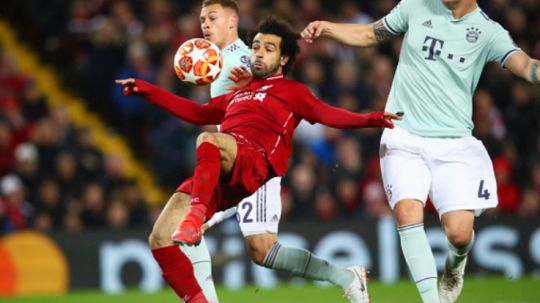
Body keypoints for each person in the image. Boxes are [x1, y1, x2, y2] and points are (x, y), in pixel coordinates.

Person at [117, 15, 399, 303]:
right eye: (255, 47)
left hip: (255, 165)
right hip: (220, 169)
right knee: (161, 237)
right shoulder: (238, 94)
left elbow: (329, 115)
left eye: (268, 48)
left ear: (284, 58)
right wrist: (147, 90)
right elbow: (197, 113)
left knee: (208, 141)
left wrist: (371, 118)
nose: (258, 53)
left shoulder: (293, 92)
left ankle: (196, 217)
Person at [301, 0, 539, 302]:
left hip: (454, 143)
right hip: (404, 133)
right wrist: (328, 28)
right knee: (406, 211)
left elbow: (525, 65)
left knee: (459, 234)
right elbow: (371, 34)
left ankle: (455, 266)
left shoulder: (488, 32)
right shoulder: (415, 6)